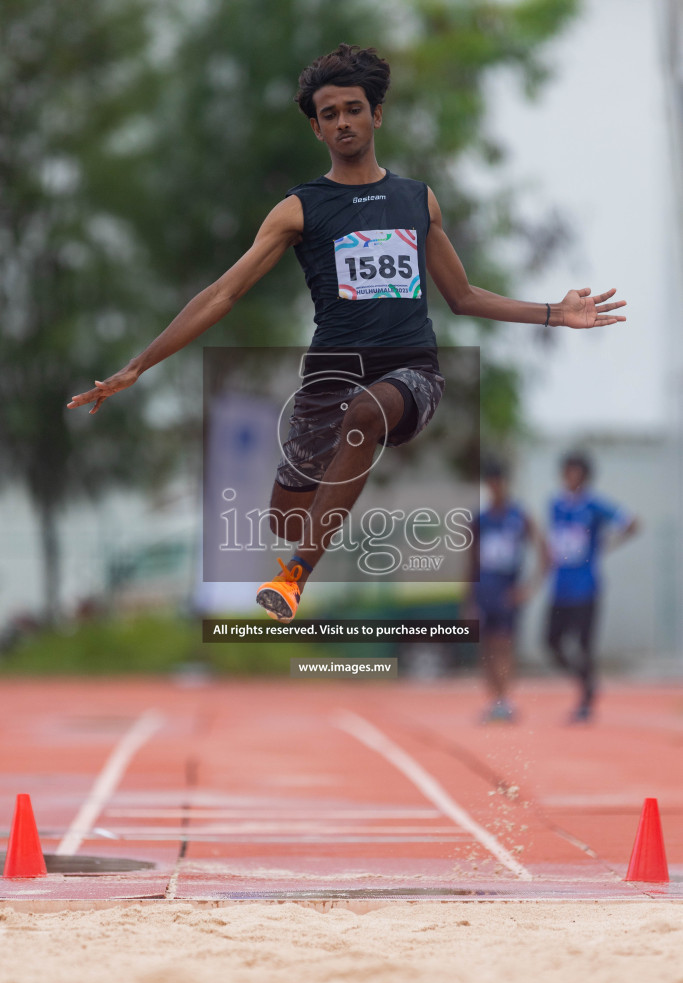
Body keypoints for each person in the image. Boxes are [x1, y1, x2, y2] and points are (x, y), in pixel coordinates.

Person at [68, 44, 627, 623]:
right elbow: (222, 294)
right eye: (329, 114)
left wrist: (553, 313)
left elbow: (462, 297)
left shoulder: (417, 200)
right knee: (286, 519)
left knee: (368, 413)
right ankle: (313, 530)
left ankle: (293, 579)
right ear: (316, 127)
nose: (343, 122)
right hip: (328, 376)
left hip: (411, 372)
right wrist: (139, 365)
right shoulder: (299, 210)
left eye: (353, 109)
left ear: (376, 115)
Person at [546, 451, 639, 723]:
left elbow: (632, 522)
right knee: (551, 642)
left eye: (576, 472)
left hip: (586, 588)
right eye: (568, 471)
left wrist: (606, 544)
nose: (571, 477)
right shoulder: (555, 505)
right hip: (560, 588)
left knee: (584, 645)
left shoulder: (594, 506)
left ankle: (586, 696)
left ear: (585, 476)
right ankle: (586, 680)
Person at [469, 459, 548, 723]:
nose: (495, 488)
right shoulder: (480, 520)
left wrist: (529, 588)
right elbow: (470, 561)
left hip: (507, 590)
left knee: (503, 645)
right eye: (490, 484)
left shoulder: (519, 516)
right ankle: (493, 699)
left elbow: (545, 553)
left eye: (498, 483)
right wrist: (467, 598)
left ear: (505, 484)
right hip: (484, 590)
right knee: (486, 647)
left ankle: (505, 700)